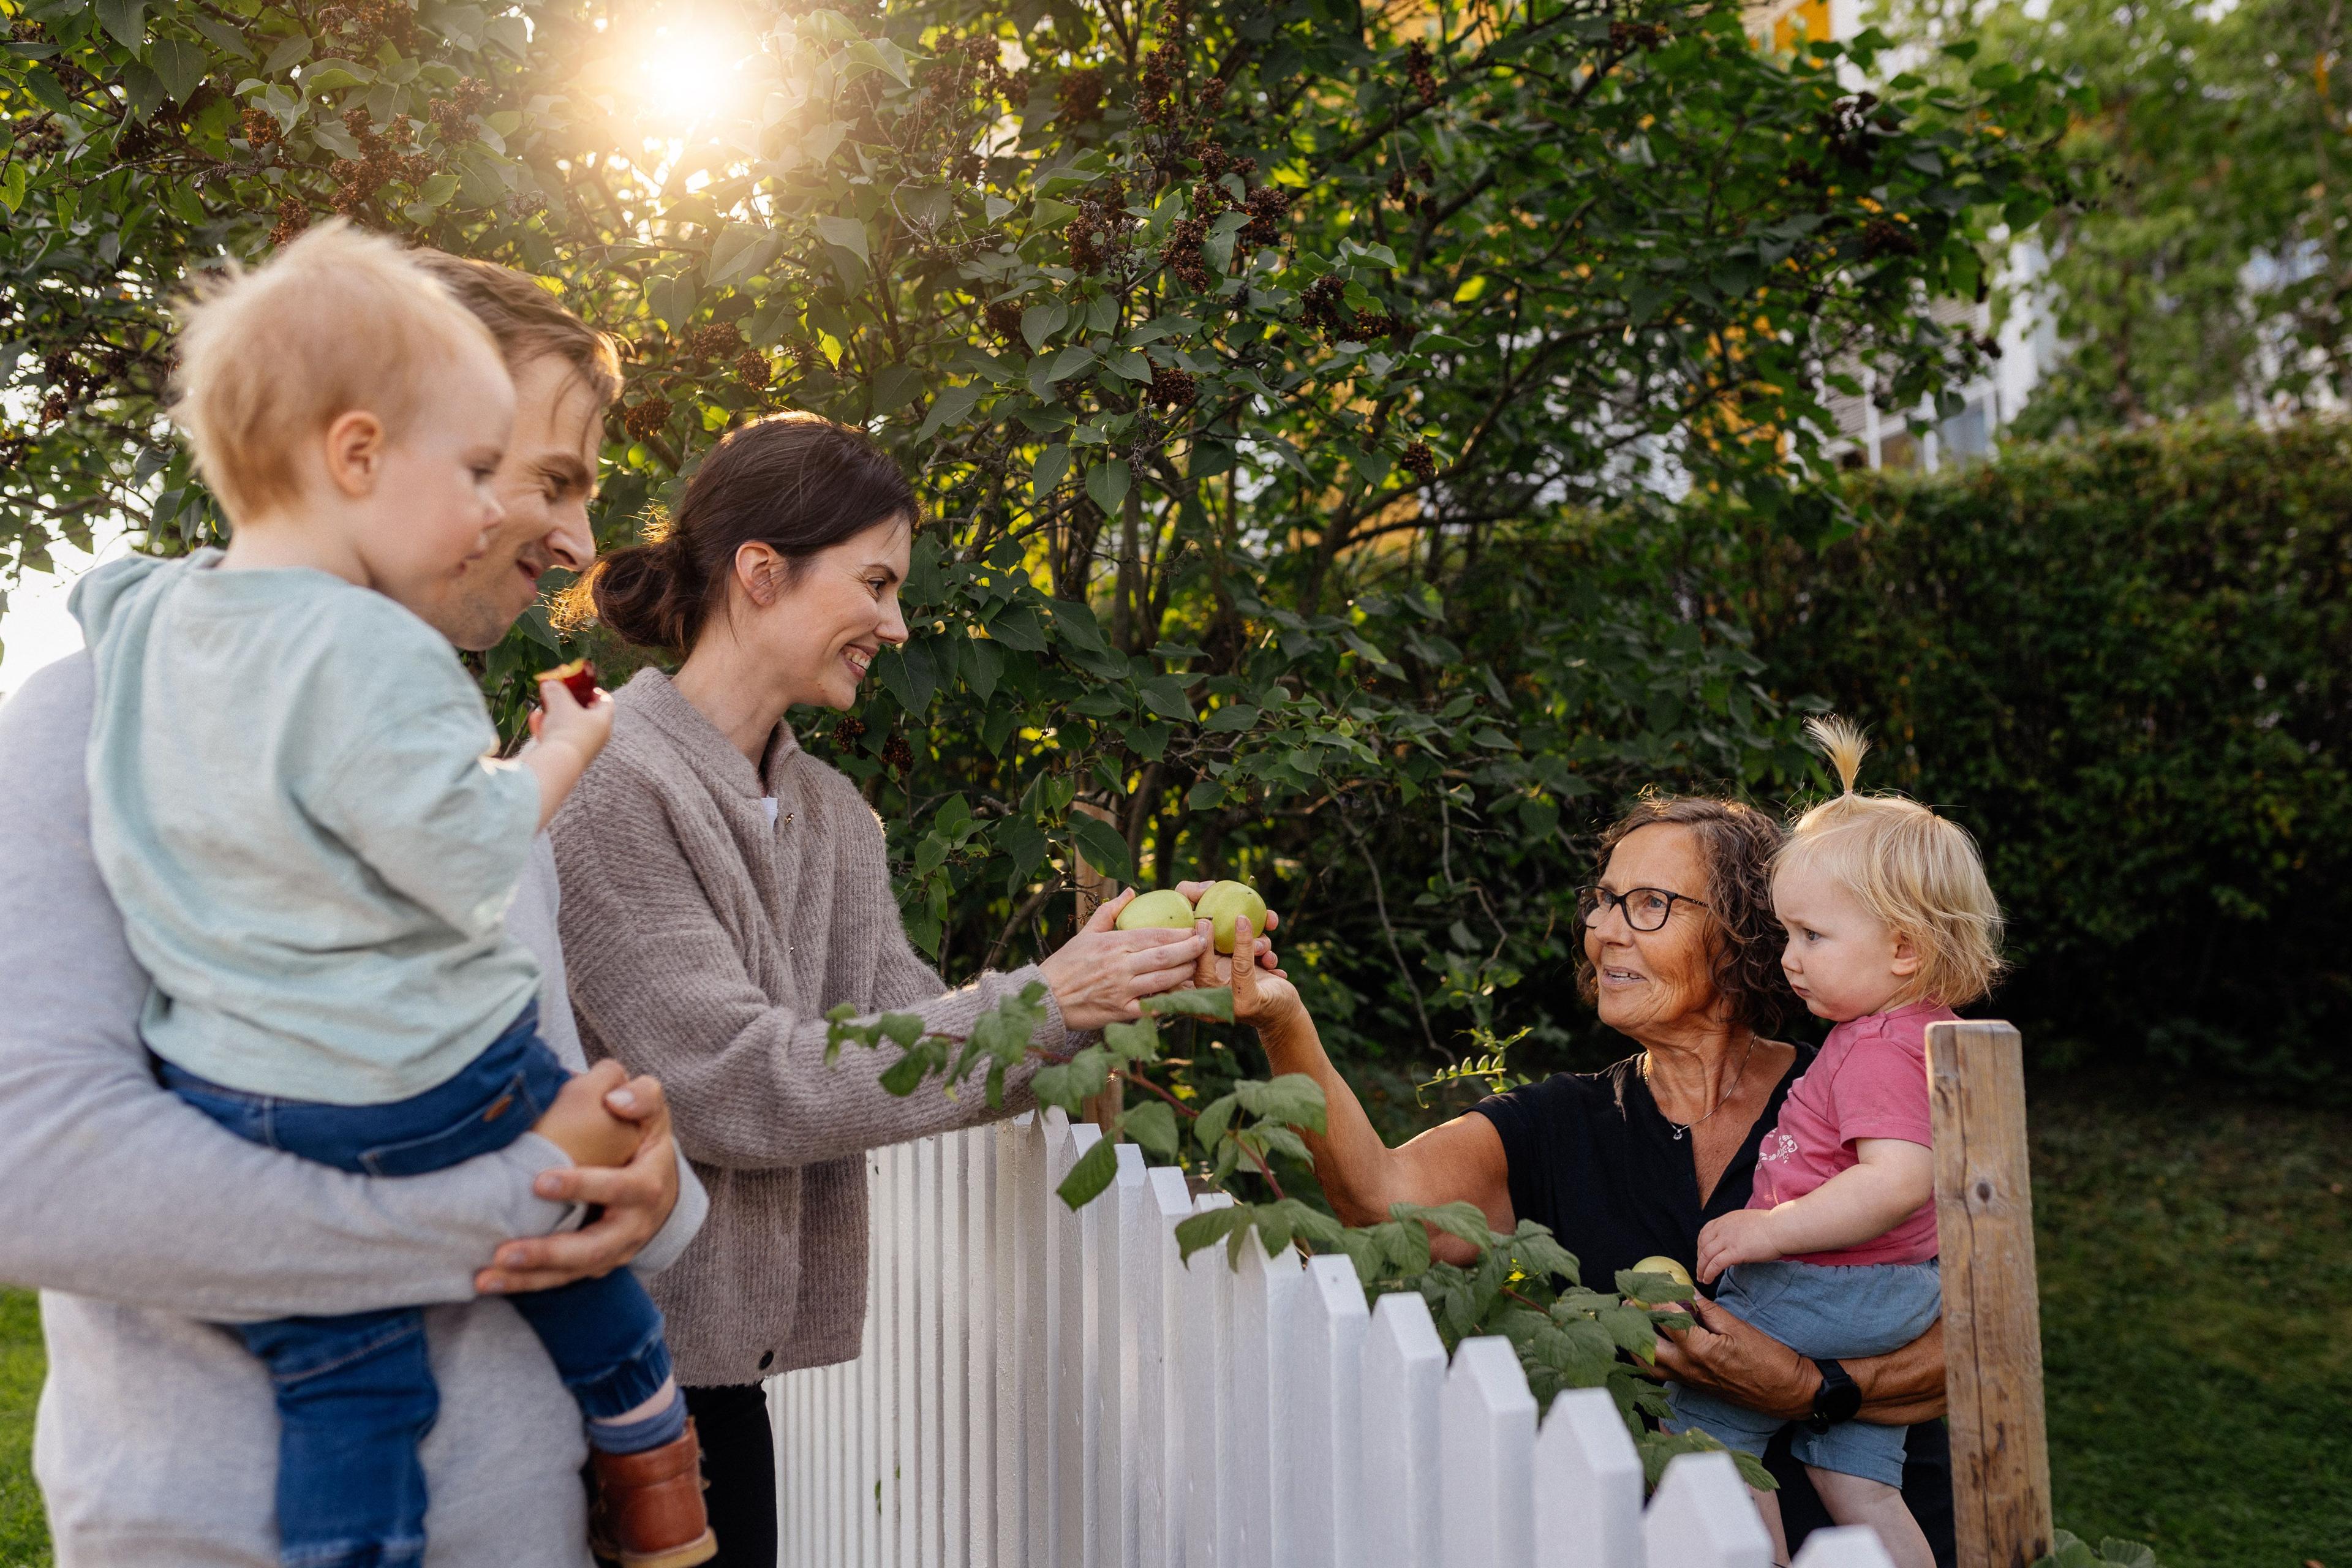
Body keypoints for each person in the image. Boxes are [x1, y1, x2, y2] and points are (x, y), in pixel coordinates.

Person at [0, 246, 708, 1568]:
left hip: (519, 1519)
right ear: (377, 448)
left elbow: (531, 1108)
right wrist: (516, 1200)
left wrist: (653, 1192)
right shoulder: (91, 718)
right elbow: (37, 1173)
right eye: (542, 475)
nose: (579, 544)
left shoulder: (477, 784)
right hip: (215, 1533)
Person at [547, 411, 1260, 1565]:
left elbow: (922, 1051)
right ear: (762, 574)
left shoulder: (831, 812)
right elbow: (733, 1084)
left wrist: (1140, 976)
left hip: (721, 1386)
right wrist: (1051, 996)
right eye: (874, 584)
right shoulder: (610, 785)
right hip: (595, 1374)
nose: (898, 622)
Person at [1207, 793, 1958, 1564]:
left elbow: (1969, 1343)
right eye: (1602, 901)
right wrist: (1281, 1018)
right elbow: (1379, 1202)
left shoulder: (1857, 1098)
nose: (1603, 930)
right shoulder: (1560, 1122)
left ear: (1743, 932)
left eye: (1649, 904)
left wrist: (1806, 1386)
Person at [1673, 720, 2002, 1568]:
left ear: (1903, 948)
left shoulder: (1883, 1047)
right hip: (1889, 1292)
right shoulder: (1908, 1031)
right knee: (1855, 1479)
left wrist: (1765, 1231)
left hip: (1833, 1283)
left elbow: (1895, 1181)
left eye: (1813, 937)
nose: (1790, 959)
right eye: (1788, 935)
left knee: (1705, 1414)